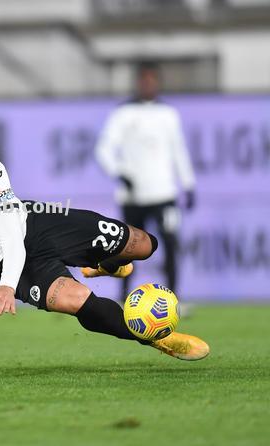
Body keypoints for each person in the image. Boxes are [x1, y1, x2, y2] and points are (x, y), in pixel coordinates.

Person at [0, 123, 209, 361]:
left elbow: (10, 234)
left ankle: (106, 264)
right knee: (75, 300)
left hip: (33, 224)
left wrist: (7, 287)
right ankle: (155, 338)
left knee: (144, 244)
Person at [94, 61, 196, 298]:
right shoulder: (123, 113)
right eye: (144, 79)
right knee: (128, 249)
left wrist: (188, 184)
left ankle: (173, 299)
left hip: (164, 195)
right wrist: (120, 173)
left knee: (170, 245)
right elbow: (103, 150)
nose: (148, 84)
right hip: (134, 196)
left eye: (152, 79)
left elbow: (179, 151)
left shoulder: (169, 114)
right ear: (138, 82)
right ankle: (123, 300)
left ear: (158, 82)